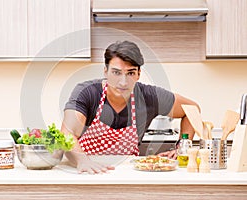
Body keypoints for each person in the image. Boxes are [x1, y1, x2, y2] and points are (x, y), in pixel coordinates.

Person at [61, 40, 199, 174]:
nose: (123, 82)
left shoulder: (149, 96)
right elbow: (68, 133)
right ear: (105, 71)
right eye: (116, 72)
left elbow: (191, 109)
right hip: (87, 170)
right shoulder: (87, 92)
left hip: (128, 172)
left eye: (131, 73)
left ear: (139, 74)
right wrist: (82, 161)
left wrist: (182, 148)